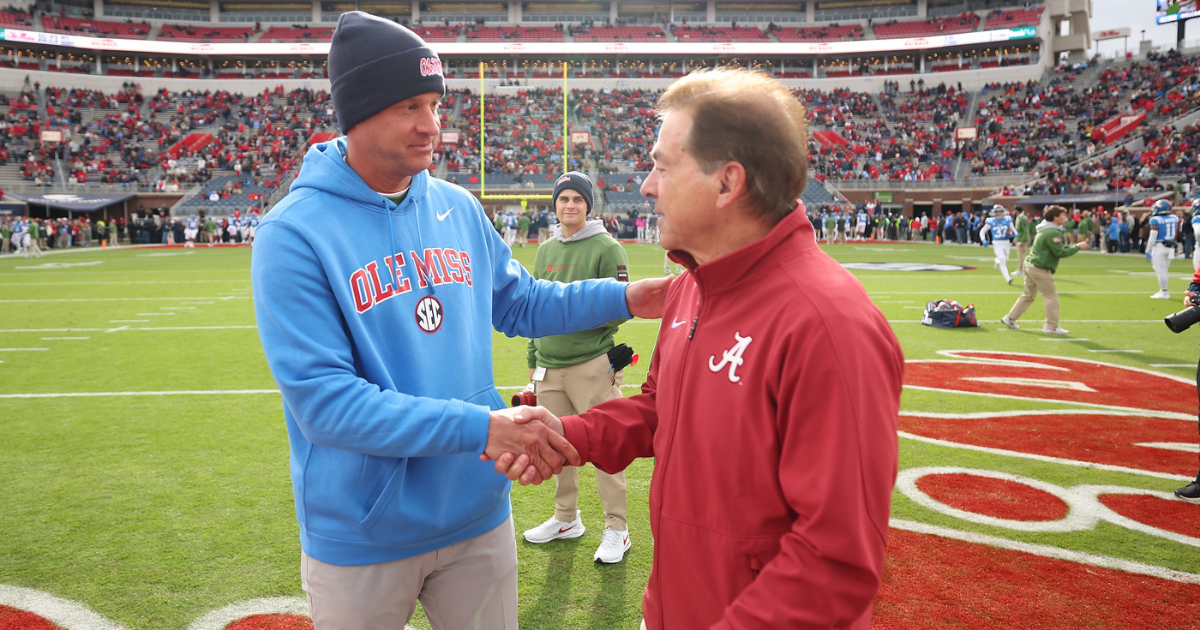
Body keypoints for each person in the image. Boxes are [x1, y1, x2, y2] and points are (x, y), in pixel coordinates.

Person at [249, 13, 669, 630]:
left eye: (436, 105)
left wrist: (630, 298)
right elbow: (327, 405)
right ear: (357, 112)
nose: (431, 125)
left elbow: (523, 303)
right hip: (364, 533)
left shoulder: (457, 206)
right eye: (408, 106)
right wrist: (484, 429)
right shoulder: (291, 234)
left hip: (476, 511)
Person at [489, 68, 902, 630]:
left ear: (727, 183)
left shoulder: (828, 323)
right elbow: (662, 408)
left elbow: (834, 560)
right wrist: (569, 434)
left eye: (662, 165)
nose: (646, 186)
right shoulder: (692, 285)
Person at [521, 171, 633, 564]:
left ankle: (617, 527)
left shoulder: (606, 247)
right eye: (563, 198)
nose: (570, 205)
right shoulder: (545, 249)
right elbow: (536, 307)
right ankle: (567, 518)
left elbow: (620, 304)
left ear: (589, 205)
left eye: (577, 199)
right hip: (550, 366)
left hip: (590, 363)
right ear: (555, 204)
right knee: (557, 446)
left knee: (605, 446)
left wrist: (575, 324)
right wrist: (534, 359)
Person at [1001, 205, 1090, 335]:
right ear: (1055, 218)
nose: (1065, 217)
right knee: (1050, 296)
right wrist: (1077, 246)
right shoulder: (1052, 232)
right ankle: (1051, 326)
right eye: (1063, 215)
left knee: (1028, 295)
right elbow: (1060, 252)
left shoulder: (1045, 229)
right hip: (1039, 267)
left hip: (1031, 265)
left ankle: (1010, 318)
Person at [1147, 199, 1180, 300]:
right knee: (1165, 270)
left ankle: (1164, 292)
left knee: (1160, 271)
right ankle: (1163, 290)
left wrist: (1147, 250)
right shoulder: (1174, 218)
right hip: (1170, 246)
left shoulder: (1156, 220)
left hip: (1160, 246)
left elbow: (1152, 237)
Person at [979, 203, 1015, 284]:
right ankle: (1008, 278)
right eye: (997, 212)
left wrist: (1012, 234)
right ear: (994, 212)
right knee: (1002, 260)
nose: (999, 213)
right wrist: (983, 240)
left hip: (1006, 242)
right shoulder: (991, 221)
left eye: (1000, 211)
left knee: (1005, 259)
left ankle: (996, 260)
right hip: (997, 243)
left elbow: (1013, 231)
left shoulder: (1007, 220)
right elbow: (982, 231)